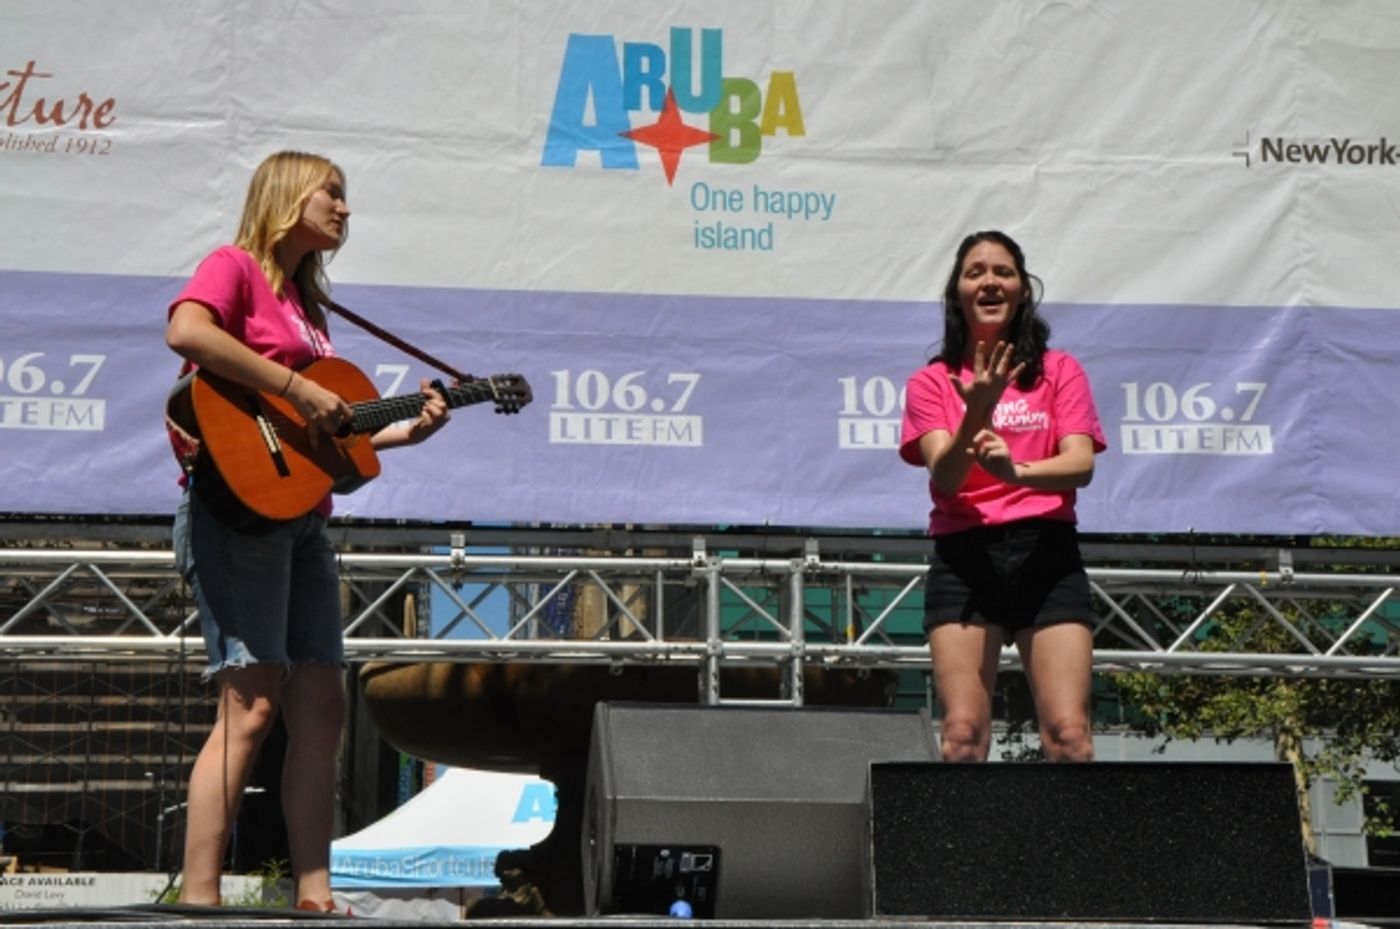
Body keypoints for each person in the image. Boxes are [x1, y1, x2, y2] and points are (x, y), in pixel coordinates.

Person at [165, 151, 451, 910]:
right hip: (231, 513)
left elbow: (330, 442)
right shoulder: (234, 267)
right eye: (334, 193)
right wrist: (292, 382)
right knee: (250, 706)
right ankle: (200, 900)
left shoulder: (312, 310)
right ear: (290, 196)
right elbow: (187, 333)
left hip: (302, 522)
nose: (345, 209)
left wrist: (409, 433)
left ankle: (314, 893)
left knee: (321, 702)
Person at [898, 230, 1106, 763]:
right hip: (965, 554)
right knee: (963, 737)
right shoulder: (932, 381)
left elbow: (1079, 464)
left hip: (1047, 551)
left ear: (1022, 290)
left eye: (1003, 271)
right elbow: (946, 476)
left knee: (1069, 735)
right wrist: (978, 409)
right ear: (957, 292)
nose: (990, 281)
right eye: (975, 272)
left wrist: (1014, 470)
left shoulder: (1059, 370)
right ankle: (963, 850)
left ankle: (1075, 847)